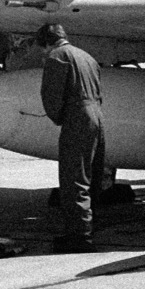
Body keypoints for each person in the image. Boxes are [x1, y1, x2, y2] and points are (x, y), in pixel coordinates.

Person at [37, 23, 104, 253]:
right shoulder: (86, 56)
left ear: (46, 42)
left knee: (73, 177)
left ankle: (79, 237)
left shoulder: (57, 56)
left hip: (77, 117)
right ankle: (88, 227)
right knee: (90, 174)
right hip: (96, 114)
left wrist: (57, 117)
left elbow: (52, 94)